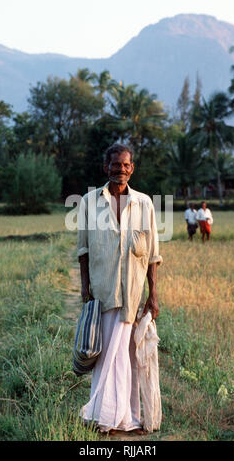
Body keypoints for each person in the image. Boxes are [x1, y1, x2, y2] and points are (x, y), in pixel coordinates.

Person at [77, 143, 163, 435]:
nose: (121, 170)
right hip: (102, 292)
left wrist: (153, 295)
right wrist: (84, 289)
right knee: (107, 356)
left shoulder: (144, 203)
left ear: (132, 168)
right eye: (116, 165)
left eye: (126, 165)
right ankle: (108, 418)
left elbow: (152, 255)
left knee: (126, 356)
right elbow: (83, 250)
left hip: (133, 293)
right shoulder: (90, 202)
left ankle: (127, 418)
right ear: (106, 167)